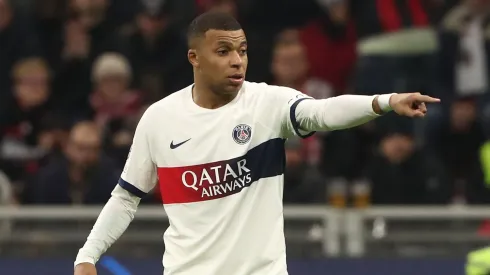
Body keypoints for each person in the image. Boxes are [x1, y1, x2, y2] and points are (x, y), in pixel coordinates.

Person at [74, 11, 440, 275]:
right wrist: (87, 256)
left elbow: (323, 112)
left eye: (243, 50)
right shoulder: (159, 118)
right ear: (194, 58)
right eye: (223, 51)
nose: (237, 61)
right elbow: (126, 196)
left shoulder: (268, 104)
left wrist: (384, 101)